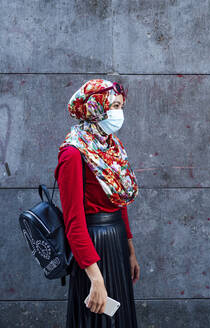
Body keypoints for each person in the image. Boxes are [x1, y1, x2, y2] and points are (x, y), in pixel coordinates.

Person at [54, 79, 140, 328]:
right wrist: (95, 278)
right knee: (97, 319)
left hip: (116, 242)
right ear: (95, 107)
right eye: (113, 105)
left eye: (121, 106)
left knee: (119, 319)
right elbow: (74, 222)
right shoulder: (73, 153)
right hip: (92, 248)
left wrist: (130, 251)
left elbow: (119, 200)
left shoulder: (112, 147)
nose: (118, 113)